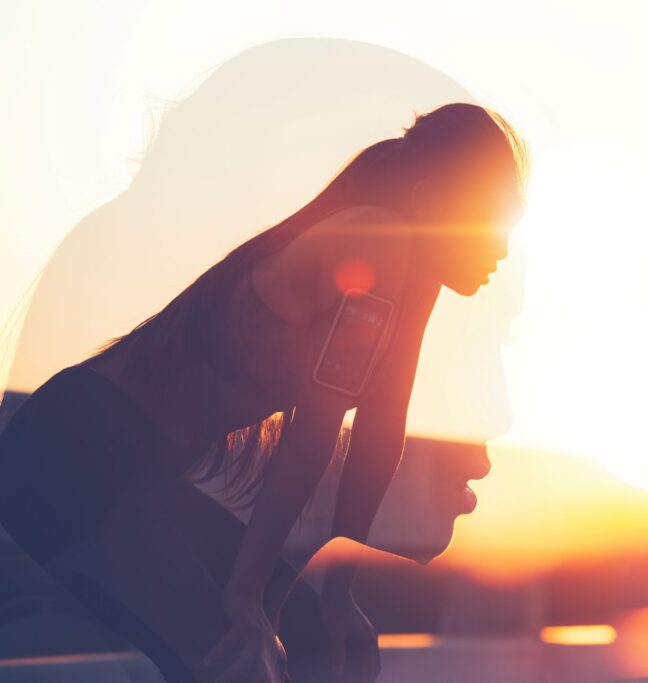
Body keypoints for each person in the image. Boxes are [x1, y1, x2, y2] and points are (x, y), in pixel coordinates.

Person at [0, 101, 528, 683]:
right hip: (72, 452)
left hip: (139, 469)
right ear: (431, 203)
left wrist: (337, 586)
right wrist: (246, 596)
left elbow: (381, 431)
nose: (502, 253)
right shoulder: (376, 247)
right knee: (240, 660)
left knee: (315, 639)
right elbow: (317, 428)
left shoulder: (414, 272)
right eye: (494, 226)